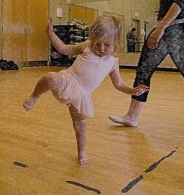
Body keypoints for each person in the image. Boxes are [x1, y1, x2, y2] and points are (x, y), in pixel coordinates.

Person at [23, 15, 149, 165]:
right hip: (68, 81)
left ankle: (81, 152)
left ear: (117, 44)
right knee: (51, 78)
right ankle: (34, 96)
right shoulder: (86, 47)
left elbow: (119, 84)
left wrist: (134, 91)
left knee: (80, 124)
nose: (101, 49)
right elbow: (64, 49)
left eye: (107, 45)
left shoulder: (113, 63)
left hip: (82, 95)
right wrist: (51, 34)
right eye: (97, 44)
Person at [109, 0, 184, 129]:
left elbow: (179, 2)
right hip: (163, 26)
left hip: (180, 27)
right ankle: (132, 116)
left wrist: (160, 28)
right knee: (144, 70)